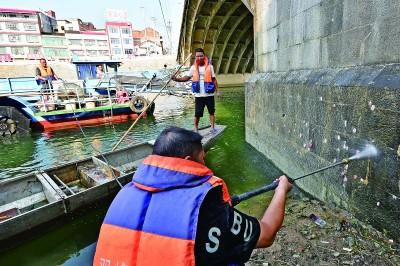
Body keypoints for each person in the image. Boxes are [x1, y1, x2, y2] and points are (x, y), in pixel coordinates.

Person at [93, 127, 292, 266]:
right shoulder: (206, 206)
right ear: (189, 161)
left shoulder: (124, 193)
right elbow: (266, 235)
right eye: (203, 160)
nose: (207, 167)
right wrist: (281, 189)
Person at [172, 48, 219, 132]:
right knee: (197, 113)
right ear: (195, 57)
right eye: (197, 56)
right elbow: (186, 78)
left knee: (211, 112)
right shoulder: (193, 67)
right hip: (199, 95)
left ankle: (212, 127)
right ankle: (196, 129)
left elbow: (214, 79)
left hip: (209, 95)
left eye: (201, 56)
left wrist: (217, 91)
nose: (199, 58)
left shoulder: (210, 66)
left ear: (204, 56)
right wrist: (176, 79)